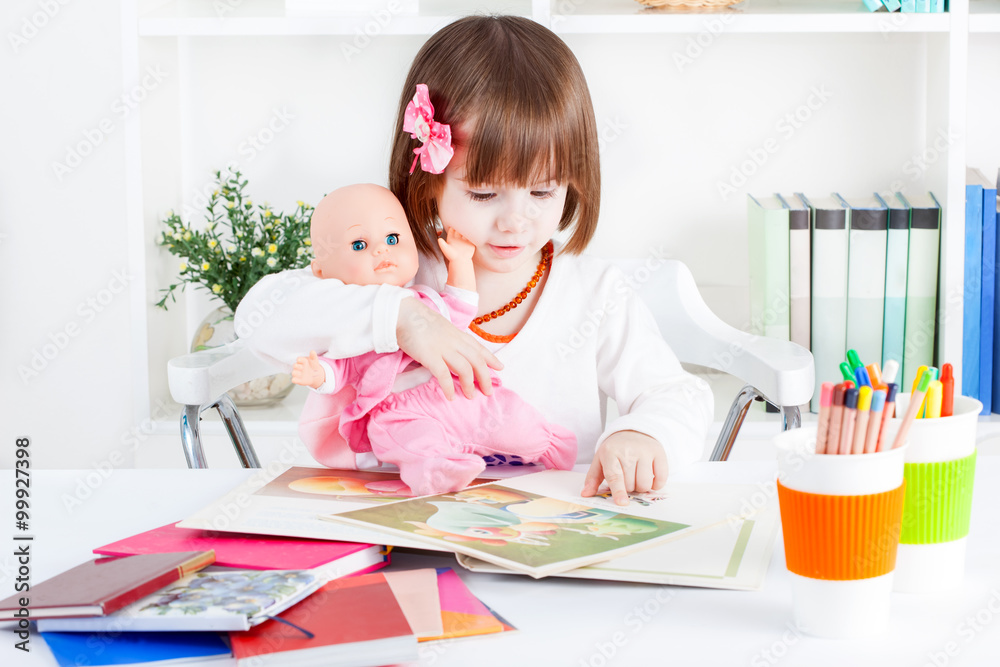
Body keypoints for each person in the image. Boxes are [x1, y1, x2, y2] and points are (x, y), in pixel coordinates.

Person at [234, 15, 713, 506]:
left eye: (543, 191)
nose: (516, 221)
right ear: (428, 180)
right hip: (397, 518)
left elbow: (677, 394)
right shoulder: (391, 271)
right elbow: (259, 317)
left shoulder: (595, 295)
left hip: (544, 530)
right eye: (484, 194)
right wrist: (403, 319)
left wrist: (643, 434)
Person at [289, 183, 576, 496]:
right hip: (399, 410)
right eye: (359, 245)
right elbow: (341, 369)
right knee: (411, 442)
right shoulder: (356, 323)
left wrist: (460, 262)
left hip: (454, 393)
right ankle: (437, 471)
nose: (382, 250)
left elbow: (460, 307)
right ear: (321, 272)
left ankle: (548, 444)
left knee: (508, 418)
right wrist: (318, 375)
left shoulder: (426, 300)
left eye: (392, 239)